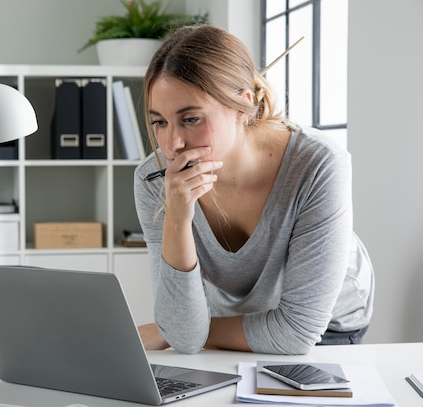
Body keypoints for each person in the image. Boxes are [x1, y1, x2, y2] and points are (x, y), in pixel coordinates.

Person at [133, 25, 374, 355]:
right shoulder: (155, 180)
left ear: (242, 105)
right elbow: (185, 336)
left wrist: (181, 331)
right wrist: (176, 216)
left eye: (190, 119)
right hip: (235, 320)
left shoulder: (319, 164)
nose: (173, 144)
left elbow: (297, 331)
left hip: (325, 325)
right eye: (159, 121)